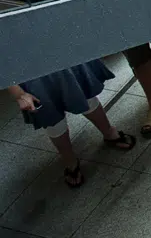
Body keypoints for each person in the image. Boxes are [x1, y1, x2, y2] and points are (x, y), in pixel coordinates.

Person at [6, 60, 135, 187]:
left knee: (86, 98)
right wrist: (19, 93)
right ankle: (70, 160)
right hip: (28, 73)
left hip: (60, 57)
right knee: (53, 120)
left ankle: (109, 132)